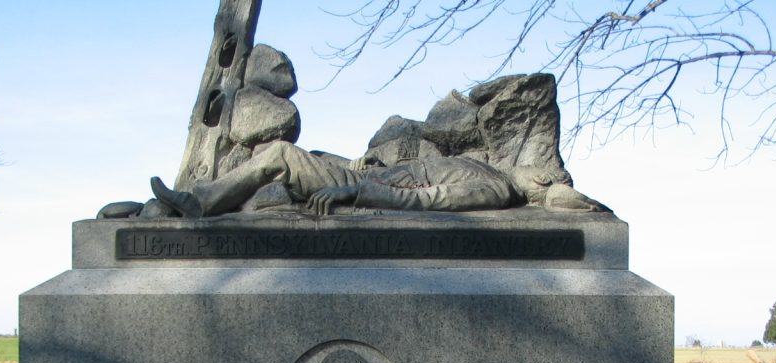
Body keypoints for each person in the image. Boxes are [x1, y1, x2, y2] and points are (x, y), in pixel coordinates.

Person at [150, 139, 608, 217]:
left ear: (539, 186)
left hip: (364, 186)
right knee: (284, 162)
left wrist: (357, 190)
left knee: (282, 156)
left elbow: (429, 200)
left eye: (544, 176)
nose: (536, 168)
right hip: (362, 171)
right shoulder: (490, 166)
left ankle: (201, 204)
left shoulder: (495, 187)